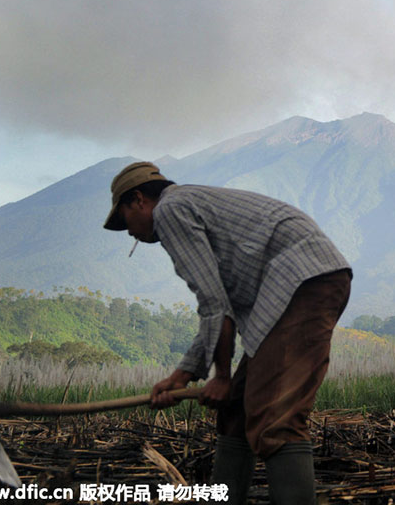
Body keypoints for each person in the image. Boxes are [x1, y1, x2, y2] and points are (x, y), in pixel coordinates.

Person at [103, 161, 352, 505]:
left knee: (277, 418)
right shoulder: (188, 204)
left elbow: (213, 304)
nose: (128, 232)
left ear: (139, 200)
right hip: (295, 288)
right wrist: (182, 376)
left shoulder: (171, 210)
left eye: (124, 219)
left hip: (301, 281)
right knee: (236, 411)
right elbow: (220, 308)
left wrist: (221, 376)